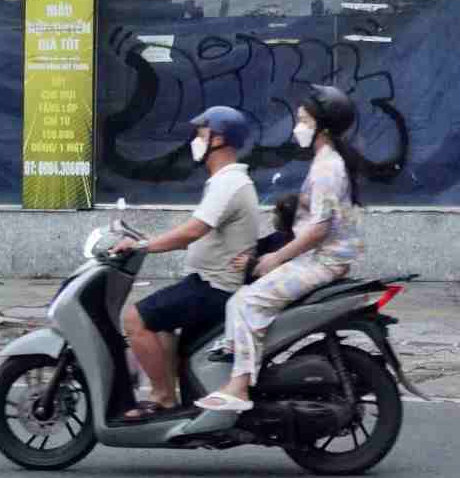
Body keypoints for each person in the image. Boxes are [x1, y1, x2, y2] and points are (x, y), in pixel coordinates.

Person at [200, 87, 366, 412]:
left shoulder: (327, 168)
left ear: (324, 127)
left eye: (303, 121)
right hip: (319, 257)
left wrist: (275, 258)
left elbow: (319, 229)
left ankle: (240, 388)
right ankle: (240, 367)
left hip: (323, 261)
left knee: (248, 303)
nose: (296, 127)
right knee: (240, 300)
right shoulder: (326, 161)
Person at [109, 106, 263, 420]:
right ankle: (174, 397)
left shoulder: (228, 183)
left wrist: (142, 246)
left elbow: (193, 231)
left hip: (214, 287)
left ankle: (163, 397)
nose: (195, 140)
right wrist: (146, 239)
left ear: (218, 139)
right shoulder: (226, 181)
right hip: (208, 282)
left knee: (134, 319)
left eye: (201, 133)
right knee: (160, 322)